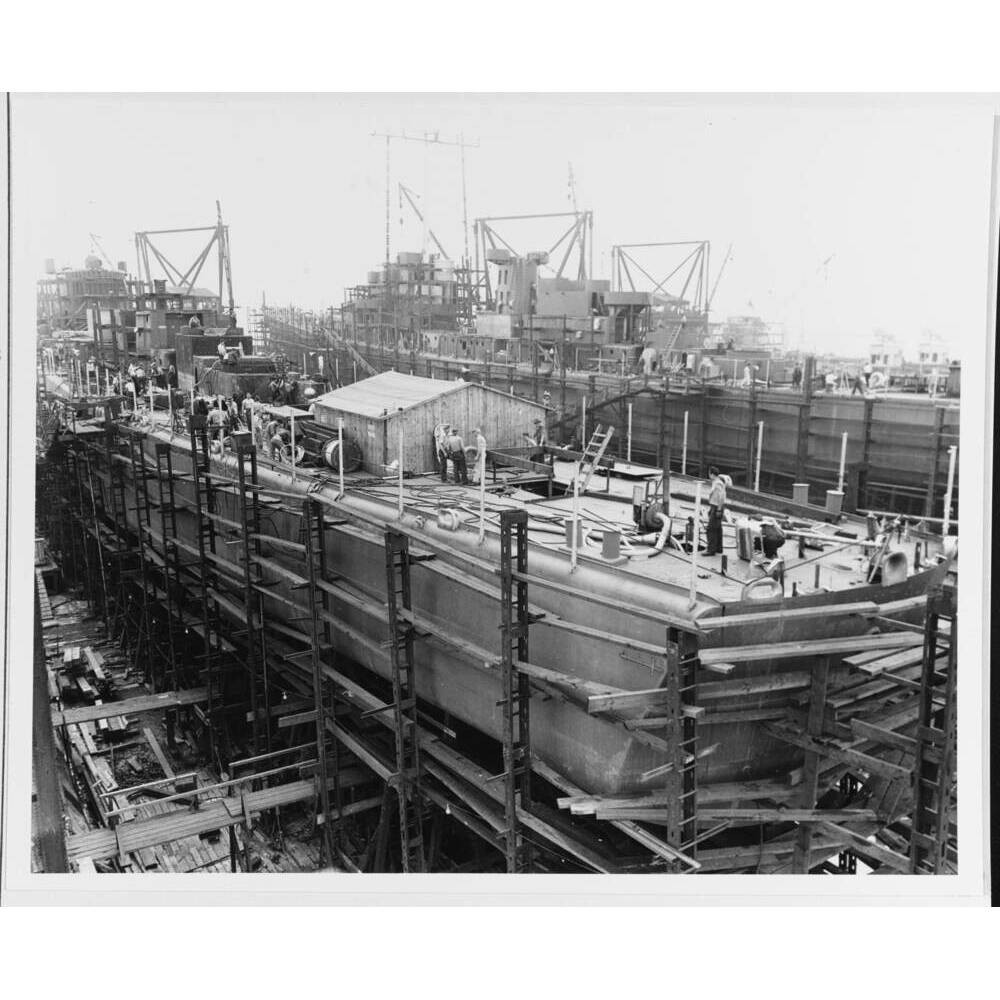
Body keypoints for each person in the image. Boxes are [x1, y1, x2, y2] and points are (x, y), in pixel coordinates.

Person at [705, 467, 726, 556]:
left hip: (716, 507)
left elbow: (721, 497)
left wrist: (718, 510)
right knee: (717, 528)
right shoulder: (717, 482)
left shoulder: (718, 483)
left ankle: (711, 550)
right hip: (715, 506)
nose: (709, 475)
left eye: (709, 473)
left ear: (712, 474)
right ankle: (718, 548)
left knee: (711, 529)